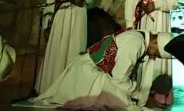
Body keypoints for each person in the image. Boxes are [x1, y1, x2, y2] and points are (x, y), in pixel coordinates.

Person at [30, 29, 171, 109]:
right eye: (157, 53)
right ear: (154, 42)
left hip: (89, 69)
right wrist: (139, 95)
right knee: (124, 105)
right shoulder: (135, 43)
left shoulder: (137, 36)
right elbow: (119, 77)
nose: (154, 56)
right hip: (88, 75)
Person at [36, 0, 98, 94]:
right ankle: (51, 87)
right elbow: (50, 3)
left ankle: (70, 90)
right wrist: (46, 26)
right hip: (59, 19)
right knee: (57, 51)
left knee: (74, 49)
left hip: (77, 17)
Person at [124, 0, 178, 105]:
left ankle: (159, 95)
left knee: (159, 55)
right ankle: (139, 92)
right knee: (141, 54)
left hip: (160, 21)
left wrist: (156, 5)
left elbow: (174, 3)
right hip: (142, 22)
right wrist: (129, 23)